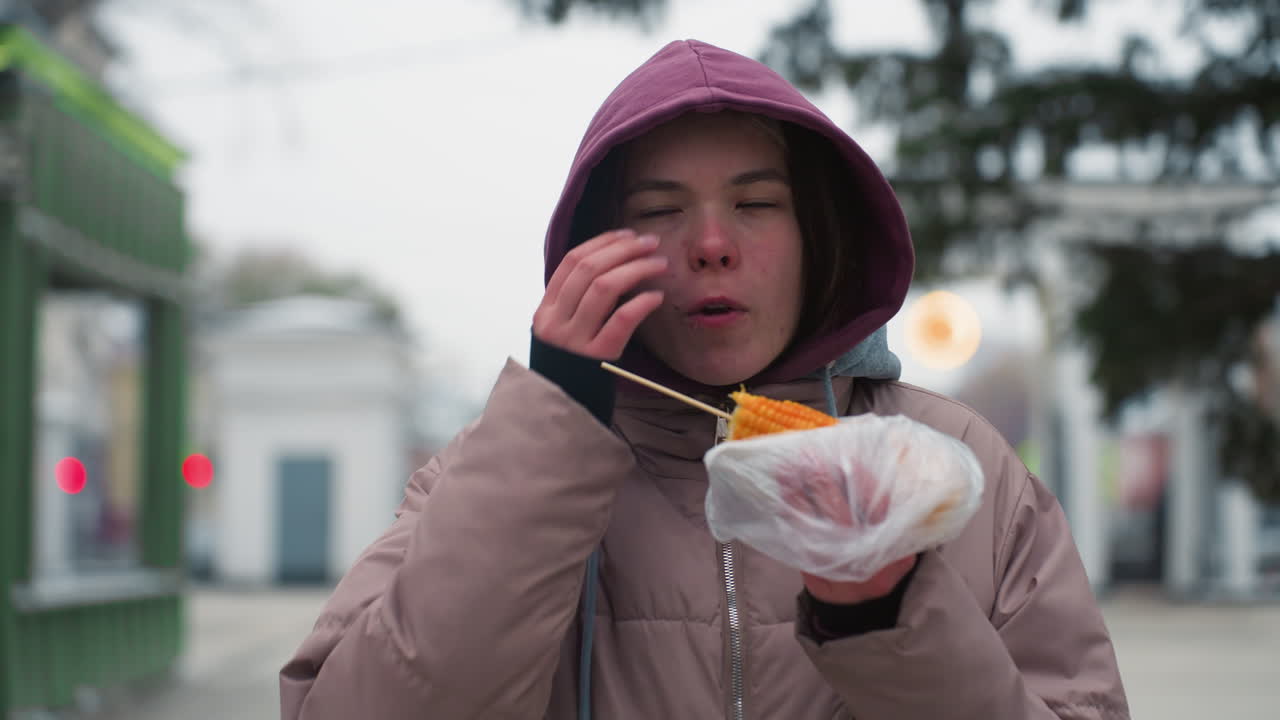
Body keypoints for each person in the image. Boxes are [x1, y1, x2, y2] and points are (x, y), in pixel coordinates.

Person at [280, 39, 1129, 720]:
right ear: (595, 246)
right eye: (657, 210)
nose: (712, 243)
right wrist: (554, 433)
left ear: (817, 235)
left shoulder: (951, 465)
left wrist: (882, 617)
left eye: (756, 204)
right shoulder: (492, 471)